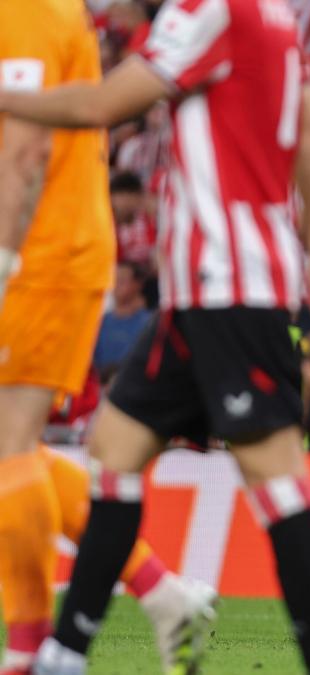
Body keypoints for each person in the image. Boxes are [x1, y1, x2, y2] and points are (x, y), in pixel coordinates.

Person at [2, 0, 310, 671]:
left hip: (231, 286)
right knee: (113, 451)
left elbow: (102, 105)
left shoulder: (210, 9)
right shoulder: (275, 19)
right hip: (201, 293)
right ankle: (66, 652)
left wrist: (8, 95)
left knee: (278, 480)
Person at [0, 1, 210, 672]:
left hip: (40, 253)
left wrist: (4, 259)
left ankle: (30, 645)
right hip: (46, 247)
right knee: (16, 447)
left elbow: (26, 146)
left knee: (9, 445)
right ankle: (159, 589)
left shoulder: (25, 9)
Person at [92, 262, 153, 380]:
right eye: (114, 279)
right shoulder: (101, 322)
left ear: (138, 284)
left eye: (122, 280)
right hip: (102, 388)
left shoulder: (149, 323)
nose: (116, 284)